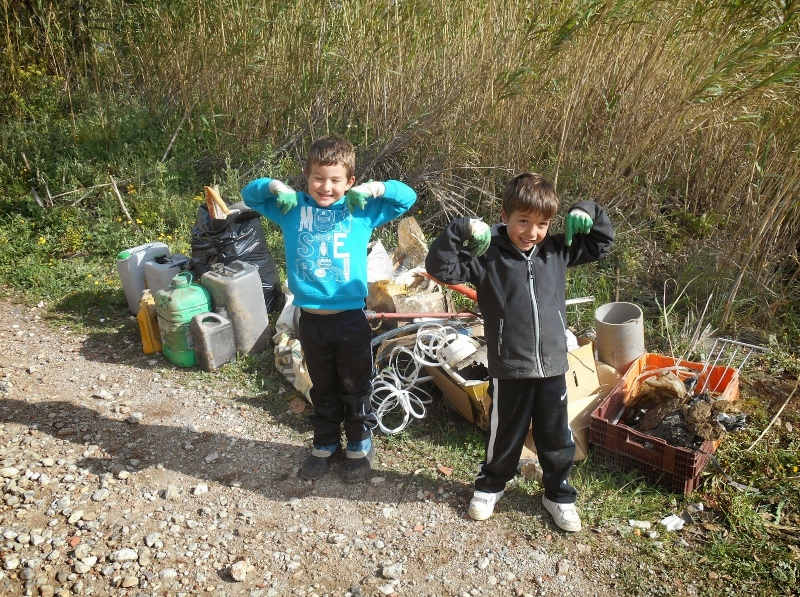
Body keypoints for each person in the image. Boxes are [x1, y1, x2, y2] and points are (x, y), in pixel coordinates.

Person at [424, 172, 613, 531]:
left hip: (554, 365)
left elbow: (601, 242)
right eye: (523, 221)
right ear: (505, 215)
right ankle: (491, 485)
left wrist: (587, 211)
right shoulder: (486, 255)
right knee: (504, 432)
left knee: (556, 435)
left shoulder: (558, 250)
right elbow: (440, 267)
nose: (531, 232)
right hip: (509, 364)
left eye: (542, 223)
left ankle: (558, 494)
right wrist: (464, 228)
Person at [241, 135, 416, 482]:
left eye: (336, 180)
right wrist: (275, 186)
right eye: (319, 177)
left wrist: (375, 189)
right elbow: (251, 195)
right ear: (306, 175)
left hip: (350, 319)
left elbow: (406, 197)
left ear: (349, 182)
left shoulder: (359, 210)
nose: (326, 186)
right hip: (311, 321)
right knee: (322, 385)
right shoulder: (292, 209)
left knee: (355, 384)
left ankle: (359, 442)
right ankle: (324, 443)